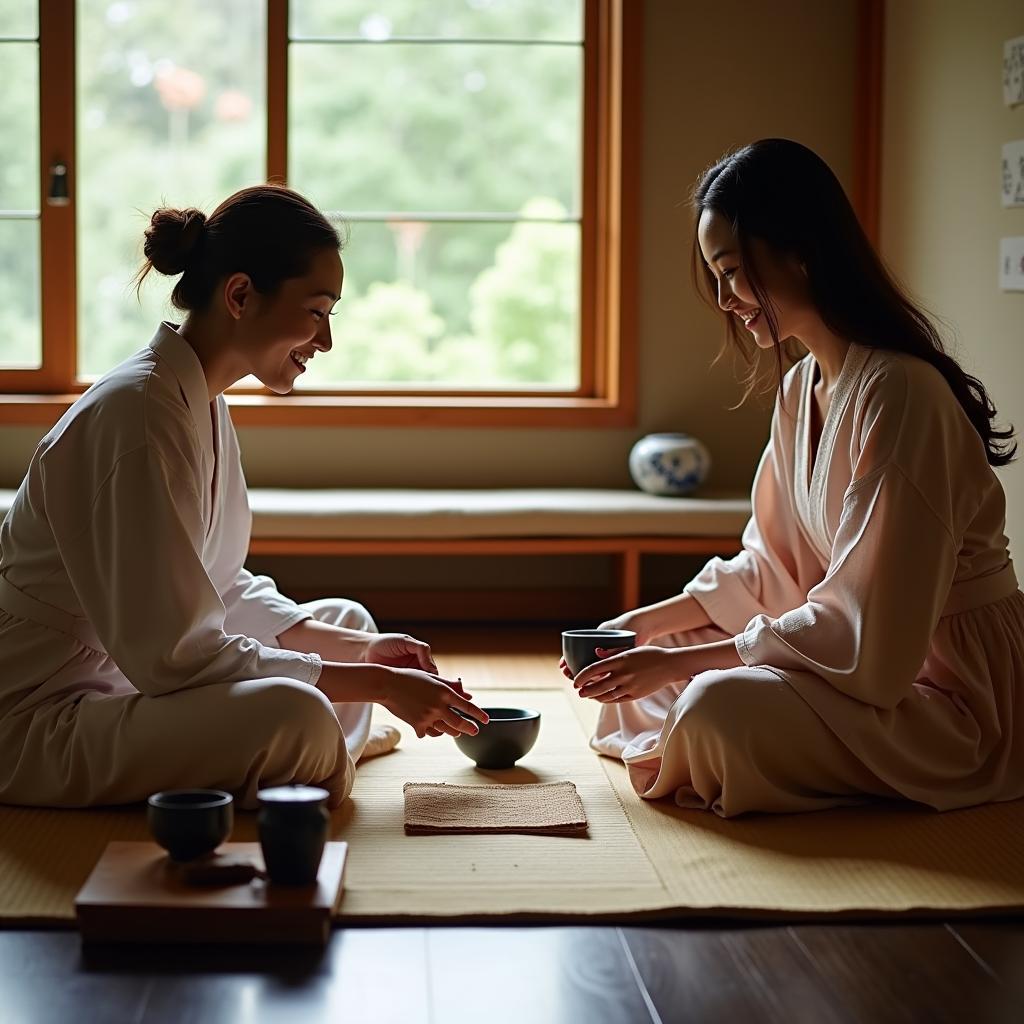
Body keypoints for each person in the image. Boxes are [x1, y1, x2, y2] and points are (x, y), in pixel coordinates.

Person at [567, 138, 1024, 817]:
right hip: (862, 657)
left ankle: (707, 734)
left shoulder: (902, 394)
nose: (725, 299)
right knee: (661, 681)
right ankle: (695, 722)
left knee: (713, 704)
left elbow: (869, 631)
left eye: (731, 270)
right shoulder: (801, 387)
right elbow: (770, 571)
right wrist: (639, 632)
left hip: (945, 693)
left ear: (800, 251)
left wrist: (678, 664)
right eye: (715, 276)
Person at [0, 184, 487, 809]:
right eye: (316, 312)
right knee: (298, 716)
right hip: (44, 716)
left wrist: (365, 655)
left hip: (131, 681)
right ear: (239, 295)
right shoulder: (138, 414)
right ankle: (314, 753)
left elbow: (218, 588)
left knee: (349, 621)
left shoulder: (196, 400)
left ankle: (308, 758)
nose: (326, 341)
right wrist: (371, 682)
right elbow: (179, 656)